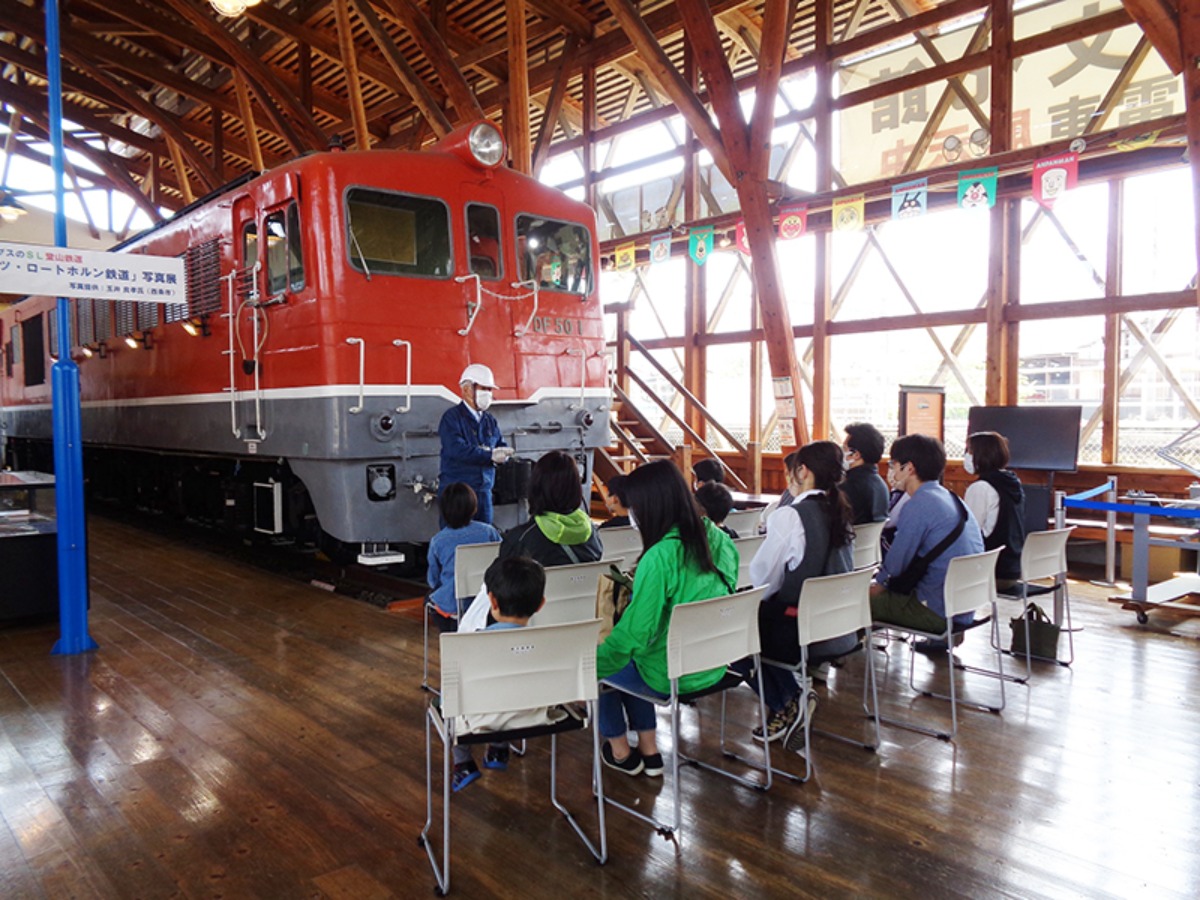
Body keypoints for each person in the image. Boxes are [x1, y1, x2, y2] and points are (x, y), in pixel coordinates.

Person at [596, 460, 739, 777]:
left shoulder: (659, 556)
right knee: (629, 656)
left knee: (604, 662)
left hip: (670, 675)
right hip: (714, 664)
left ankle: (621, 752)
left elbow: (635, 636)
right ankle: (650, 751)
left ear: (648, 506)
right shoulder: (721, 540)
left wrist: (586, 665)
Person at [743, 442, 856, 746]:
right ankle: (792, 701)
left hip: (803, 629)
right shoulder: (840, 510)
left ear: (802, 471)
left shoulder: (791, 516)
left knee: (737, 633)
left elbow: (763, 578)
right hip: (842, 626)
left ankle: (788, 702)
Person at [451, 556, 564, 792]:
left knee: (449, 700)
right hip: (534, 717)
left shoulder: (469, 644)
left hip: (478, 723)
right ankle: (498, 748)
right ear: (541, 604)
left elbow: (457, 691)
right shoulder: (551, 642)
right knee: (512, 691)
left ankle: (463, 763)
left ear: (491, 600)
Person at [870, 434, 985, 651]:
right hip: (963, 606)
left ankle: (840, 668)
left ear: (909, 468)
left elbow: (894, 567)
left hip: (936, 612)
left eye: (894, 465)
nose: (892, 472)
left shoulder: (918, 505)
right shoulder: (951, 497)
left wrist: (878, 584)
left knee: (851, 602)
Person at [438, 363, 513, 525]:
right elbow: (456, 449)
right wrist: (490, 455)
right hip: (457, 497)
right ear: (466, 389)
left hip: (483, 493)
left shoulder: (489, 420)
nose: (488, 394)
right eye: (483, 389)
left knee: (484, 542)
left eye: (490, 390)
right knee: (455, 541)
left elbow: (500, 444)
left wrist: (504, 455)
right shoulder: (451, 418)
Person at [498, 450, 602, 566]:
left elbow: (494, 580)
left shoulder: (520, 539)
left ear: (535, 487)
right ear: (576, 489)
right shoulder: (591, 533)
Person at [426, 483, 501, 626]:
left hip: (453, 605)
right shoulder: (489, 531)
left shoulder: (438, 541)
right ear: (473, 507)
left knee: (430, 597)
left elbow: (433, 580)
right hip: (488, 601)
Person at [962, 431, 1026, 589]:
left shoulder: (981, 488)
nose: (966, 456)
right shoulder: (1012, 482)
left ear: (981, 455)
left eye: (969, 451)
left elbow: (970, 533)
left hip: (991, 572)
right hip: (1012, 567)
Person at [841, 422, 890, 525]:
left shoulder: (847, 488)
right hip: (872, 541)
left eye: (844, 449)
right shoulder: (881, 484)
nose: (841, 454)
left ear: (856, 455)